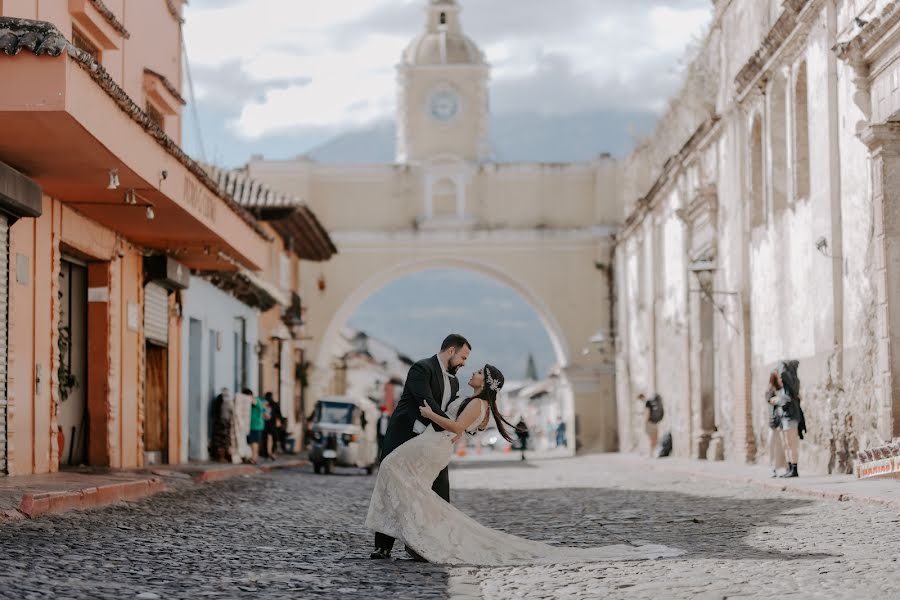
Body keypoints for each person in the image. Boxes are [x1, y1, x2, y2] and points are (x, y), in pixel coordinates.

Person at [366, 363, 682, 566]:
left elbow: (458, 428)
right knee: (405, 480)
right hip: (432, 445)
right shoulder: (477, 400)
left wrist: (430, 415)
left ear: (485, 382)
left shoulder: (477, 403)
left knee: (395, 469)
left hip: (435, 444)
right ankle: (411, 531)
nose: (472, 372)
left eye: (477, 371)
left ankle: (410, 532)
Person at [369, 334, 472, 560]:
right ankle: (382, 546)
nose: (464, 363)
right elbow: (427, 402)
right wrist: (451, 427)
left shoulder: (454, 381)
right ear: (451, 351)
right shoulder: (421, 368)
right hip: (404, 438)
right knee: (393, 488)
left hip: (432, 443)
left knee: (438, 490)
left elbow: (453, 409)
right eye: (463, 357)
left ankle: (424, 544)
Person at [765, 371, 787, 478]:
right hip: (774, 423)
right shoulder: (770, 390)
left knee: (783, 446)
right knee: (772, 446)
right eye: (778, 377)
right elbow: (770, 400)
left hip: (782, 422)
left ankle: (785, 467)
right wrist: (781, 399)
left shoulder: (783, 389)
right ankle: (773, 468)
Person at [209, 388, 234, 463]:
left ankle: (218, 456)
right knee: (223, 441)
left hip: (217, 422)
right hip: (224, 423)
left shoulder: (218, 399)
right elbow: (231, 411)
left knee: (218, 440)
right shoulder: (227, 401)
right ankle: (221, 458)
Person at [643, 393, 664, 457]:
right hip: (655, 422)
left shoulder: (648, 402)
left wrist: (645, 422)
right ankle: (653, 452)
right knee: (655, 438)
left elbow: (647, 412)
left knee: (651, 438)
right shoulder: (658, 403)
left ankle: (651, 453)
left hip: (649, 422)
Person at [248, 391, 266, 465]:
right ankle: (254, 457)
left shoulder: (256, 400)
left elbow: (253, 402)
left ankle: (254, 458)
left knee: (254, 442)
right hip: (255, 425)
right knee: (253, 442)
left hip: (255, 425)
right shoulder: (259, 400)